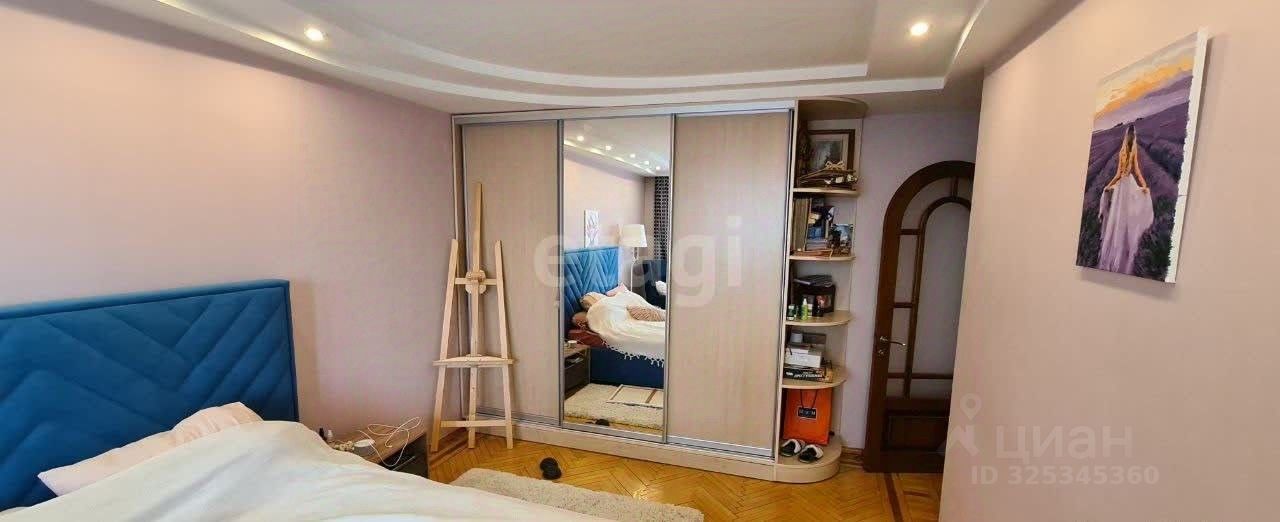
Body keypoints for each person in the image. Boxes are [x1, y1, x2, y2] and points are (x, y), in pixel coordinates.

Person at [1097, 126, 1154, 274]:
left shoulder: (1121, 152)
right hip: (1128, 185)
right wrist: (1144, 185)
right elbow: (1136, 170)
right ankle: (1127, 248)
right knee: (1129, 217)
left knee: (1118, 219)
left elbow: (1118, 175)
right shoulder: (1132, 151)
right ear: (1133, 137)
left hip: (1121, 187)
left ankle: (1118, 250)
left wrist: (1108, 186)